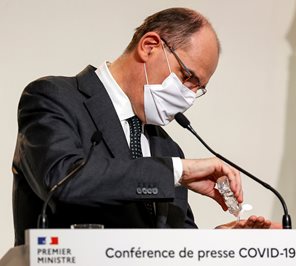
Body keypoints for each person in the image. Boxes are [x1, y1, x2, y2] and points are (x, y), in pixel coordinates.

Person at [12, 7, 275, 246]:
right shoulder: (54, 96)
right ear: (149, 46)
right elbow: (61, 182)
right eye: (188, 77)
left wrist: (218, 241)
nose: (190, 96)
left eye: (199, 88)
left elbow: (168, 245)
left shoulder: (167, 148)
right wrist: (177, 170)